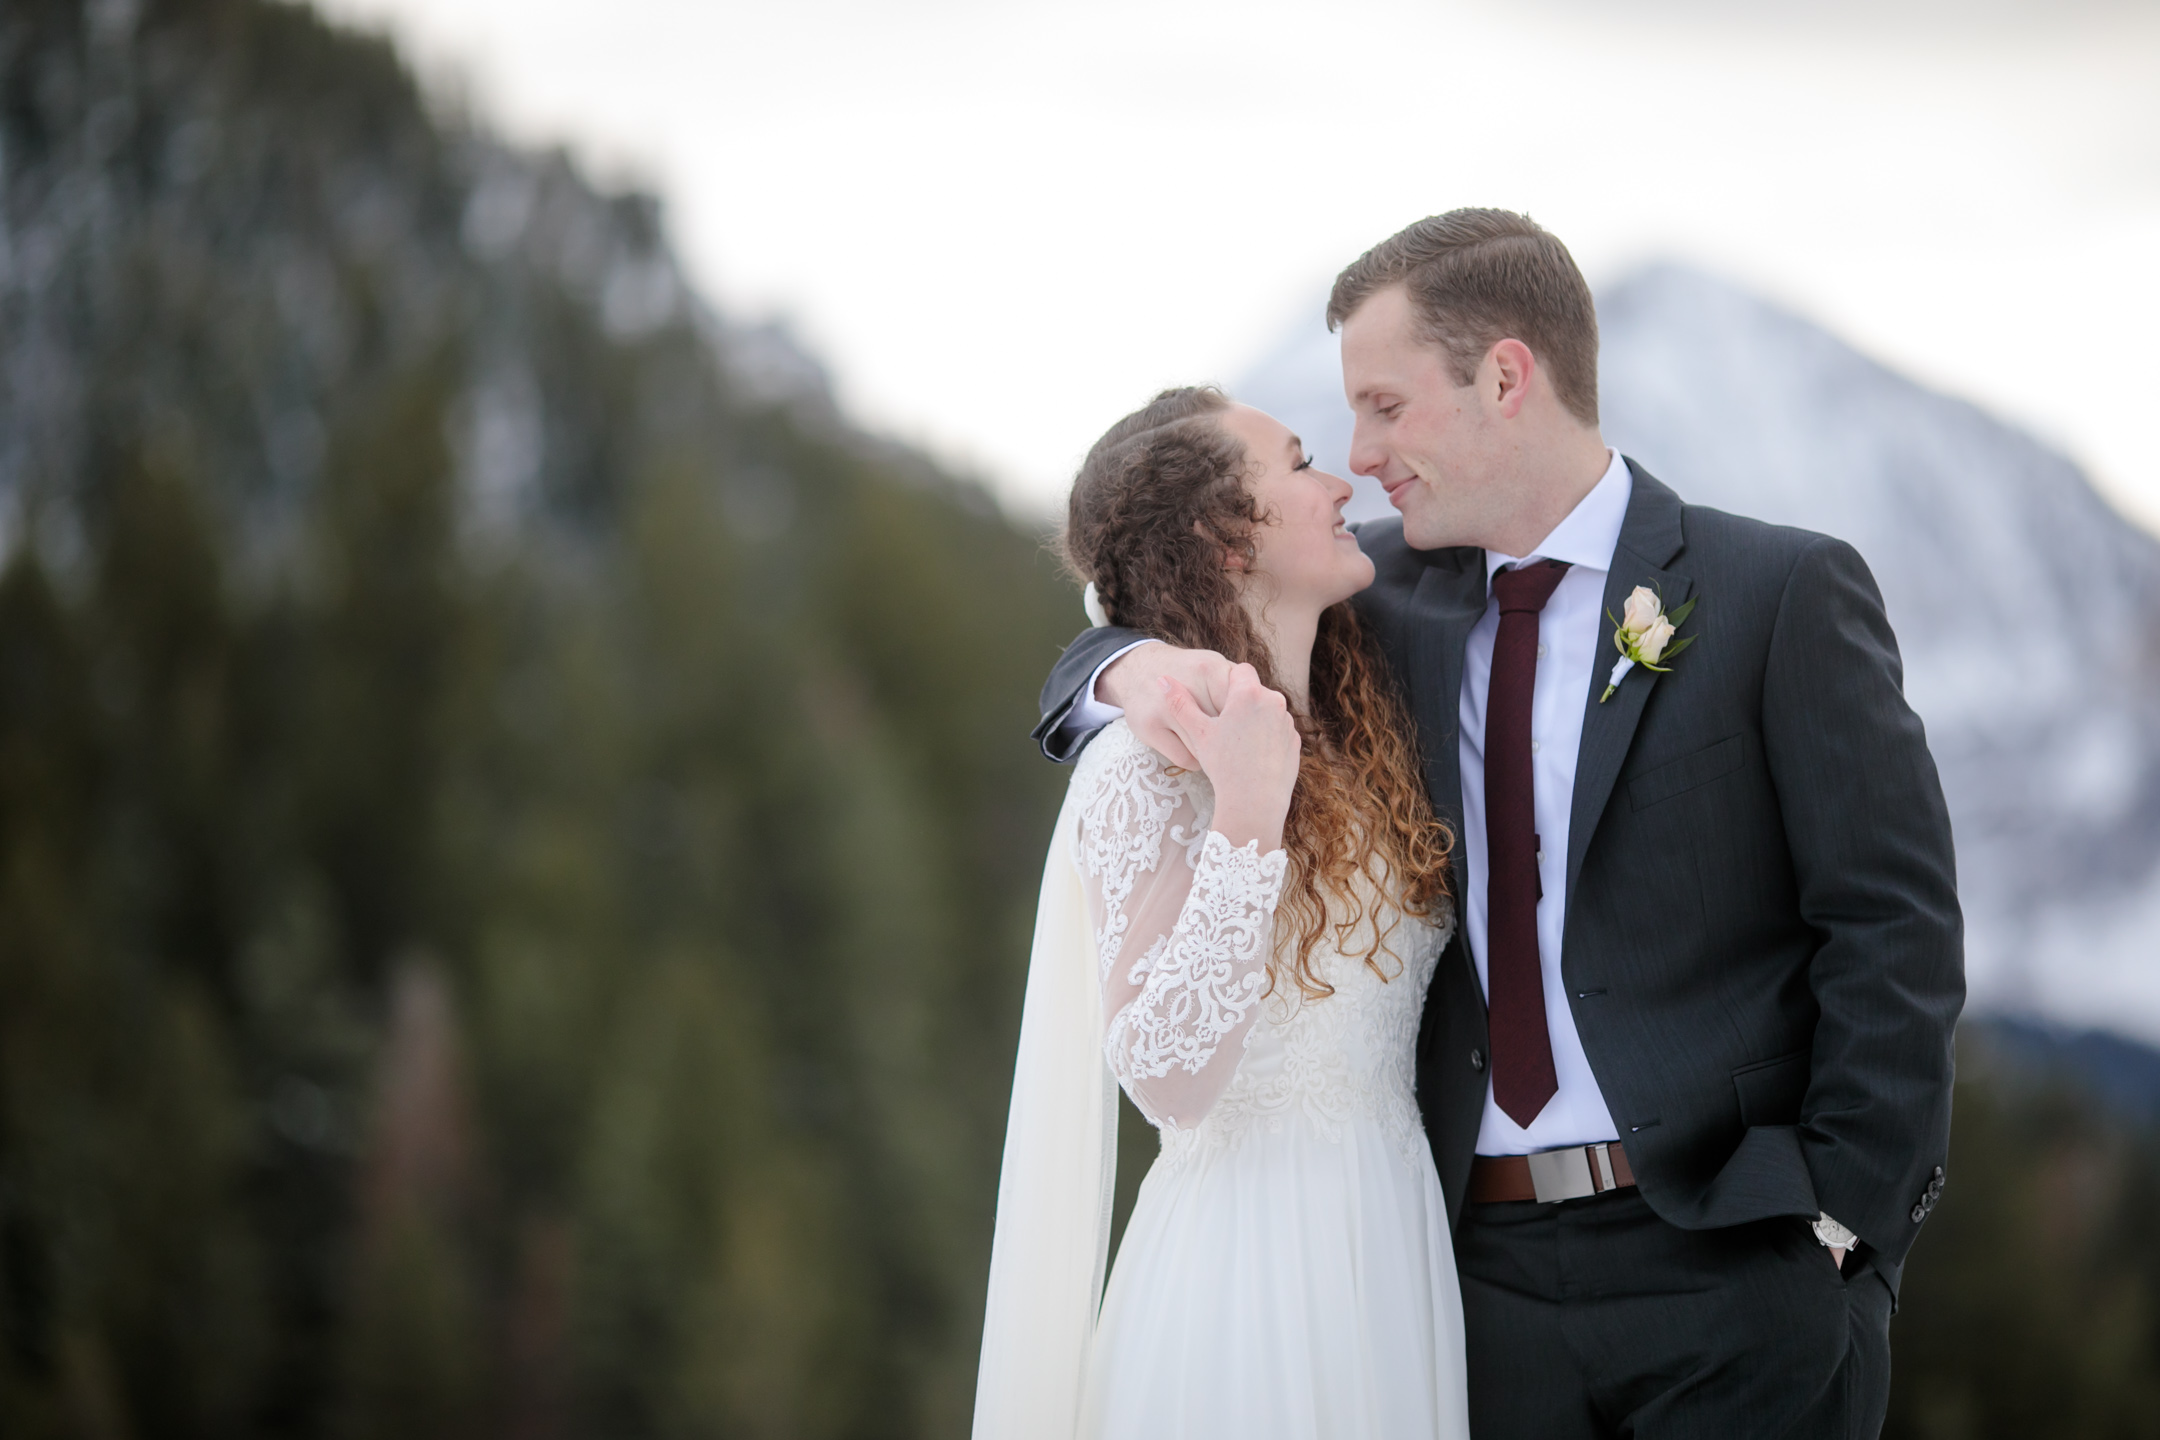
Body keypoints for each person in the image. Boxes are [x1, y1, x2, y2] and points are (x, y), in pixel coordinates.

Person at [1031, 210, 1964, 1438]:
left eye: (1387, 406)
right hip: (1474, 1293)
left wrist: (1846, 1225)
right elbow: (1166, 584)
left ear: (1507, 378)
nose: (1361, 458)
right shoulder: (1381, 599)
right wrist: (1121, 674)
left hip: (1738, 1270)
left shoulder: (1775, 594)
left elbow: (1891, 928)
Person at [973, 387, 1472, 1439]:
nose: (1340, 480)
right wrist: (1248, 807)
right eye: (1297, 463)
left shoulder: (1351, 724)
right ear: (1223, 535)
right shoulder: (1146, 764)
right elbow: (1166, 1075)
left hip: (1391, 1248)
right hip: (1246, 1278)